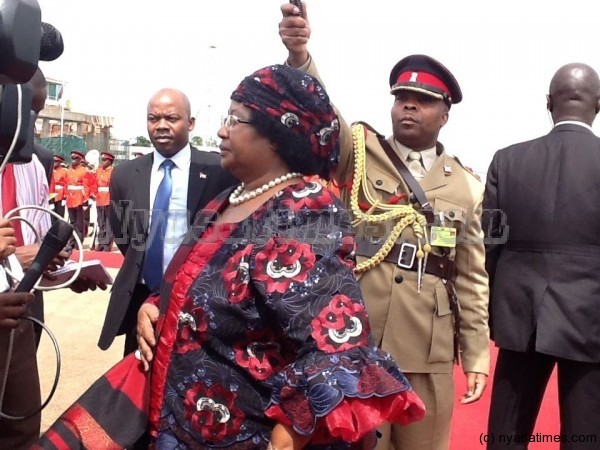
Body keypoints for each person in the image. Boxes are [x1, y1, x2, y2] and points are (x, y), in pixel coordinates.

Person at [132, 63, 425, 449]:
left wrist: (288, 434)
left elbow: (334, 346)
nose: (222, 130)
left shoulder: (304, 212)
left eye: (235, 120)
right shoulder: (229, 199)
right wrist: (156, 306)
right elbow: (200, 281)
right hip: (185, 424)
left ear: (276, 135)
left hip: (248, 435)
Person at [278, 4, 490, 450]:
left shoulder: (466, 186)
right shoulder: (360, 150)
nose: (409, 104)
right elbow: (322, 118)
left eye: (425, 100)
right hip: (357, 336)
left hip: (427, 351)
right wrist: (301, 56)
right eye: (401, 97)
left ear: (446, 113)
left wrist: (475, 355)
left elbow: (470, 278)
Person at [483, 63, 600, 450]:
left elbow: (491, 242)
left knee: (505, 435)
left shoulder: (506, 160)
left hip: (519, 314)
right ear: (598, 106)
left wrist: (493, 312)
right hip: (592, 317)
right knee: (586, 436)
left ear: (548, 103)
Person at [98, 88, 238, 356]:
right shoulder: (125, 174)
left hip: (196, 296)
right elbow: (125, 236)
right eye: (153, 119)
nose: (161, 126)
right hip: (140, 297)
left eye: (172, 118)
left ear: (191, 123)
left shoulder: (220, 171)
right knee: (138, 380)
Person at [65, 150, 93, 244]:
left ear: (79, 159)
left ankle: (79, 241)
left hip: (79, 199)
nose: (72, 160)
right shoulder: (68, 170)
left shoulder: (83, 171)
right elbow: (66, 185)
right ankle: (72, 240)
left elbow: (86, 186)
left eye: (75, 158)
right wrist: (65, 197)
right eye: (72, 158)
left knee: (79, 223)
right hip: (70, 199)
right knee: (72, 222)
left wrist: (85, 201)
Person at [94, 151, 115, 251]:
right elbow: (94, 183)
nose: (102, 162)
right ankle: (101, 242)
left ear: (110, 161)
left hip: (108, 198)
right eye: (102, 160)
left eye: (104, 160)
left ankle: (107, 243)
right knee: (100, 221)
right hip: (99, 198)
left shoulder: (113, 171)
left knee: (108, 222)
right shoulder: (98, 170)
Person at [49, 154, 67, 220]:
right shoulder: (50, 171)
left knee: (60, 216)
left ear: (60, 162)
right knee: (51, 217)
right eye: (53, 161)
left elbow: (66, 185)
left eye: (56, 161)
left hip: (60, 196)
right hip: (51, 196)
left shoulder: (64, 171)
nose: (54, 163)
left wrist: (64, 198)